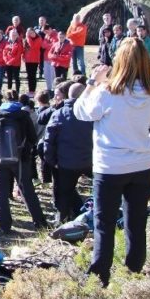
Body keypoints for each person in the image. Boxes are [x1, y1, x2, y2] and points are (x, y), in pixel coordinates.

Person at [73, 38, 150, 286]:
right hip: (141, 164)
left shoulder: (107, 92)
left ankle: (100, 275)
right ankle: (133, 271)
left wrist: (92, 83)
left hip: (110, 165)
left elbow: (81, 112)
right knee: (136, 220)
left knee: (104, 223)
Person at [0, 90, 49, 234]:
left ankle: (4, 226)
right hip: (21, 158)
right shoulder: (23, 115)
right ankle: (40, 223)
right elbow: (33, 137)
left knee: (1, 191)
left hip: (0, 158)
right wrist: (25, 148)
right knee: (27, 189)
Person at [43, 82, 93, 225]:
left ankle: (62, 221)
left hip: (66, 163)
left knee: (64, 192)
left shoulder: (58, 114)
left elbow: (49, 140)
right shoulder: (92, 113)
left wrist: (52, 161)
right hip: (89, 160)